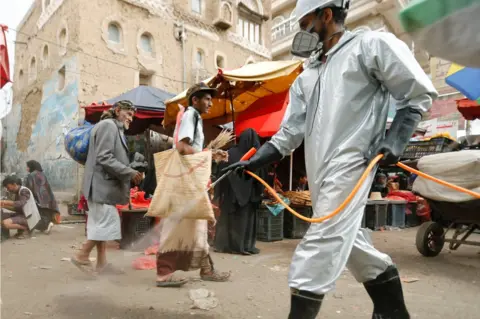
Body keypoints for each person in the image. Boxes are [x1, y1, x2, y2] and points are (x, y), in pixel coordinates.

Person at [223, 0, 438, 318]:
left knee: (322, 238)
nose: (301, 34)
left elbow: (416, 94)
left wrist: (396, 139)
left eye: (304, 23)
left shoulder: (370, 45)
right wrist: (255, 161)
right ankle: (392, 309)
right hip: (320, 172)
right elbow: (289, 133)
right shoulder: (306, 76)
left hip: (354, 162)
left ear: (327, 15)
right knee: (349, 241)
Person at [155, 83, 230, 287]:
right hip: (184, 182)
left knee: (197, 223)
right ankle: (163, 274)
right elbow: (181, 147)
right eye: (206, 98)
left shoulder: (194, 117)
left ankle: (206, 269)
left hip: (189, 179)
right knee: (176, 225)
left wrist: (211, 153)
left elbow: (190, 148)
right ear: (195, 100)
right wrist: (208, 154)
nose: (210, 102)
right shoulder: (191, 115)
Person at [71, 100, 143, 275]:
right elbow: (104, 157)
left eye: (132, 115)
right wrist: (129, 172)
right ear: (117, 111)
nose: (130, 119)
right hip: (100, 186)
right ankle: (82, 254)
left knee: (99, 225)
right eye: (128, 114)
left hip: (99, 185)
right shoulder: (108, 126)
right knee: (107, 223)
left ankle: (101, 264)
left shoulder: (110, 127)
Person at [214, 128, 265, 255]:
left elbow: (220, 172)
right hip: (248, 196)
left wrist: (220, 193)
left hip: (231, 195)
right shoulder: (257, 156)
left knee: (228, 220)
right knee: (245, 221)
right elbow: (262, 176)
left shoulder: (230, 153)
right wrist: (259, 192)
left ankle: (225, 245)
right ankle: (244, 246)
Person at [25, 160, 58, 232]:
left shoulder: (31, 175)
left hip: (39, 198)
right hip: (47, 197)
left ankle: (45, 226)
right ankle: (48, 224)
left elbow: (29, 188)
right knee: (46, 213)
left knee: (40, 214)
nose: (26, 168)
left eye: (27, 167)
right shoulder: (42, 174)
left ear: (31, 167)